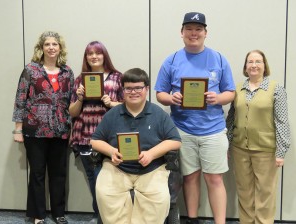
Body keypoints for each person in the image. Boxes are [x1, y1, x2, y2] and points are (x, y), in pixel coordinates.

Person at [154, 12, 236, 224]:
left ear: (205, 33)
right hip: (182, 130)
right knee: (190, 178)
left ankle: (220, 222)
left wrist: (217, 98)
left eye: (198, 29)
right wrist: (172, 98)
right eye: (189, 29)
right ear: (181, 33)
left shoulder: (218, 58)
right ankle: (192, 220)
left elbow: (231, 92)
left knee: (214, 178)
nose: (194, 33)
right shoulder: (171, 60)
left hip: (214, 130)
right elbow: (159, 94)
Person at [90, 68, 181, 224]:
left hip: (151, 168)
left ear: (146, 89)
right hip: (117, 167)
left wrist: (151, 154)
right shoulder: (113, 114)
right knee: (104, 193)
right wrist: (112, 151)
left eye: (138, 88)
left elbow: (175, 140)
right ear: (123, 90)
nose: (133, 92)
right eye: (128, 88)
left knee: (159, 199)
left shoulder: (158, 114)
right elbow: (95, 141)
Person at [12, 31, 74, 224]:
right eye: (47, 44)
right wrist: (18, 129)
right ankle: (38, 214)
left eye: (55, 44)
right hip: (34, 130)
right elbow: (20, 98)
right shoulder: (31, 70)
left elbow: (71, 102)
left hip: (60, 130)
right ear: (41, 48)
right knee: (37, 173)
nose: (51, 47)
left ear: (60, 48)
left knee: (58, 173)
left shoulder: (67, 72)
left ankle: (58, 212)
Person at [226, 50, 291, 224]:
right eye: (250, 61)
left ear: (264, 66)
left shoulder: (276, 89)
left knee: (265, 193)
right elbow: (231, 119)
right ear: (245, 67)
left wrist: (281, 152)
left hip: (266, 151)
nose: (254, 65)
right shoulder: (238, 88)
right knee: (244, 192)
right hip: (240, 149)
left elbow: (282, 121)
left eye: (258, 61)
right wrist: (227, 145)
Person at [69, 41, 124, 223]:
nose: (94, 57)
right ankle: (99, 215)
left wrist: (111, 103)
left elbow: (129, 105)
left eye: (98, 53)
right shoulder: (80, 80)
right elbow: (72, 112)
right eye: (89, 54)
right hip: (84, 135)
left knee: (108, 178)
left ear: (104, 55)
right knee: (93, 178)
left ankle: (110, 216)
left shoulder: (117, 78)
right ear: (86, 57)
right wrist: (80, 99)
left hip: (110, 136)